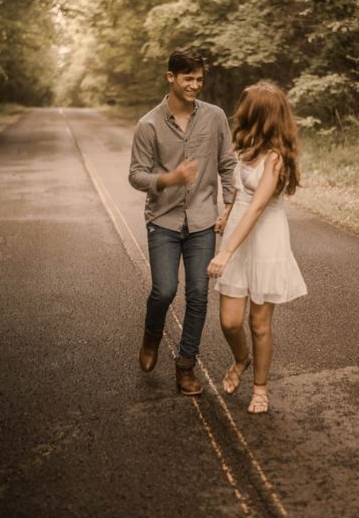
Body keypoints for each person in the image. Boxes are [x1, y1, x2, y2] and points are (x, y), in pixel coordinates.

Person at [128, 46, 236, 396]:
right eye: (188, 78)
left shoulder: (216, 117)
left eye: (200, 79)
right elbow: (136, 175)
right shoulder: (148, 124)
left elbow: (227, 164)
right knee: (164, 290)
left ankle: (186, 365)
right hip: (163, 220)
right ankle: (151, 336)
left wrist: (230, 205)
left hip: (203, 219)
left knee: (199, 294)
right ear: (170, 77)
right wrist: (169, 179)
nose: (195, 85)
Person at [207, 81, 307, 414]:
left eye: (244, 107)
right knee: (230, 321)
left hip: (264, 240)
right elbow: (241, 196)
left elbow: (257, 207)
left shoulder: (276, 158)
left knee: (259, 324)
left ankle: (261, 387)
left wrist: (225, 251)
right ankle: (241, 359)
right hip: (238, 230)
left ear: (259, 114)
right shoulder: (247, 147)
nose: (238, 111)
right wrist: (225, 213)